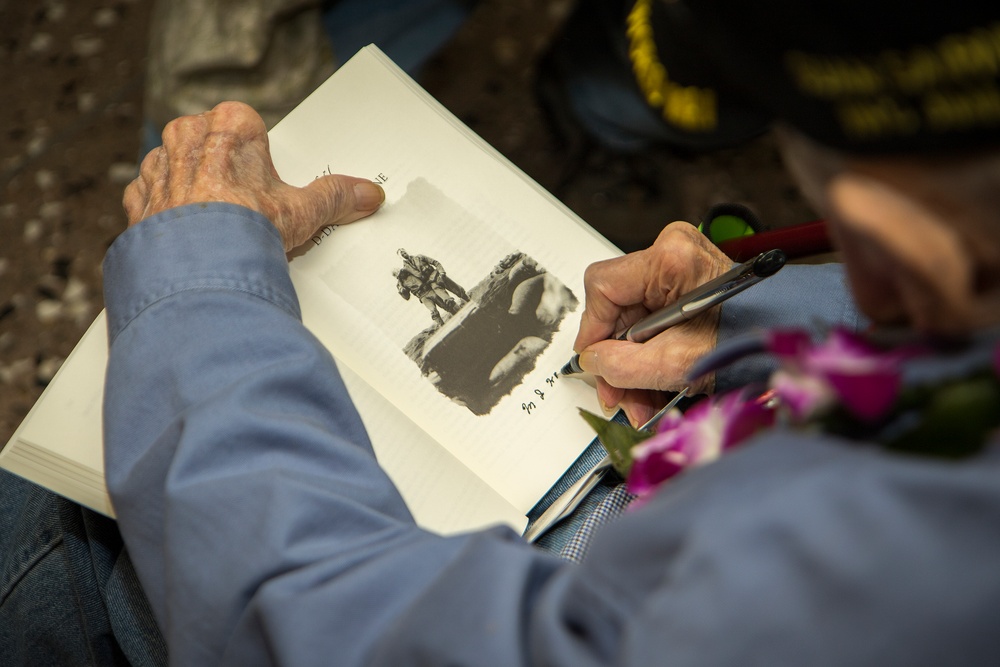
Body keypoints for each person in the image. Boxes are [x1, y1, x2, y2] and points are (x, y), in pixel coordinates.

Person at [4, 2, 1000, 665]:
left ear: (908, 246)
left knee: (66, 520)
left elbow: (320, 630)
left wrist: (196, 286)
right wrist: (773, 329)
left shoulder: (872, 568)